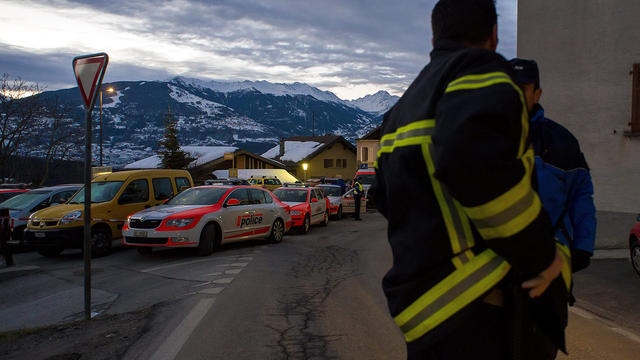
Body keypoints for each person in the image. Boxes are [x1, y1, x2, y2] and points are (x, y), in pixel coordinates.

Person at [372, 0, 568, 359]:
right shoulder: (481, 72)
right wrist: (542, 256)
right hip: (477, 307)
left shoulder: (403, 108)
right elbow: (472, 161)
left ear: (435, 36)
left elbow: (383, 195)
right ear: (494, 35)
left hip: (424, 314)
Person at [508, 58, 597, 277]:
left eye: (523, 89)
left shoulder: (562, 141)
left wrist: (583, 247)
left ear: (537, 94)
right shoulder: (483, 137)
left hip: (552, 261)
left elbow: (581, 195)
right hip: (498, 262)